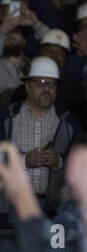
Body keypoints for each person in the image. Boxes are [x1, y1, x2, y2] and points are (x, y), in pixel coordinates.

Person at [0, 56, 81, 221]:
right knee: (12, 246)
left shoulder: (69, 122)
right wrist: (23, 161)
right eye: (40, 83)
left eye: (51, 84)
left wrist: (59, 162)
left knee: (54, 247)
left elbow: (82, 168)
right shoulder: (6, 118)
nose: (47, 89)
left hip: (54, 210)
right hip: (12, 205)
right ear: (27, 87)